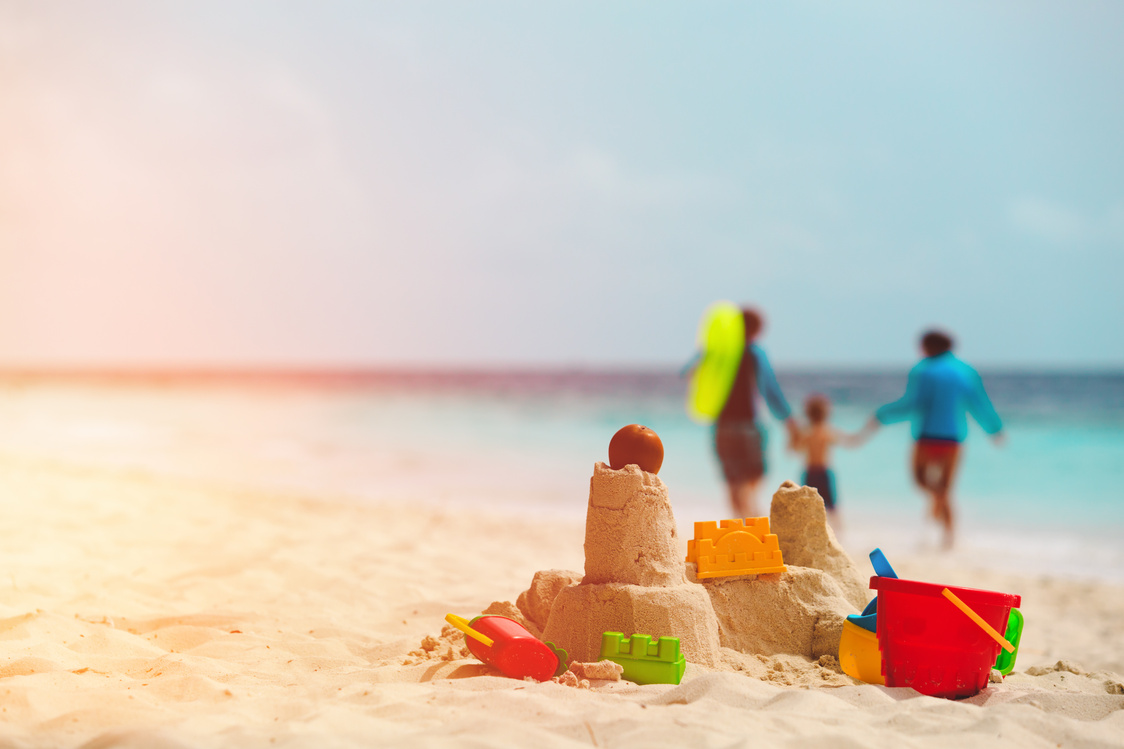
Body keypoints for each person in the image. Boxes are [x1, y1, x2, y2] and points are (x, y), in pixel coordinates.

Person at [865, 329, 1004, 549]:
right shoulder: (966, 371)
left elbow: (912, 403)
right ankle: (949, 538)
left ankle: (938, 521)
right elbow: (979, 403)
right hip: (954, 438)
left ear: (931, 346)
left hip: (927, 436)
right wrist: (995, 428)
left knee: (921, 480)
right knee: (945, 489)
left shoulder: (923, 370)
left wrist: (882, 414)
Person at [712, 308, 799, 518]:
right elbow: (770, 391)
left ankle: (739, 524)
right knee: (752, 477)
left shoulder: (720, 353)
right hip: (748, 426)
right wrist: (790, 421)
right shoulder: (755, 353)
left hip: (723, 427)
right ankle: (749, 517)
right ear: (756, 330)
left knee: (733, 481)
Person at [791, 393, 866, 530]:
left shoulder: (807, 432)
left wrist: (793, 433)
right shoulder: (828, 431)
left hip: (810, 473)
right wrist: (866, 431)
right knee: (832, 507)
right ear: (826, 413)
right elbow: (851, 441)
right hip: (824, 473)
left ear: (807, 413)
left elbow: (794, 449)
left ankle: (810, 534)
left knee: (807, 507)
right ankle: (838, 534)